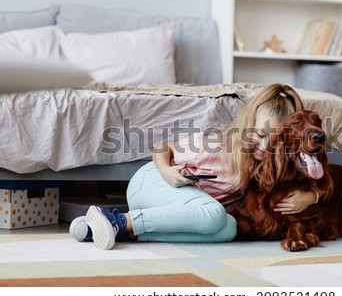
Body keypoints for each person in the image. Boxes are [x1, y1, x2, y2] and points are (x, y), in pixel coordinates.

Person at [69, 83, 323, 250]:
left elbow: (315, 178)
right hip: (152, 182)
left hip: (182, 210)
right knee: (214, 214)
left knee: (228, 229)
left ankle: (126, 233)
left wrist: (312, 196)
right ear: (247, 126)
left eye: (274, 140)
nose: (265, 146)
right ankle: (118, 219)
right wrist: (167, 171)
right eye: (259, 135)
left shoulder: (268, 164)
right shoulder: (218, 146)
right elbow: (162, 146)